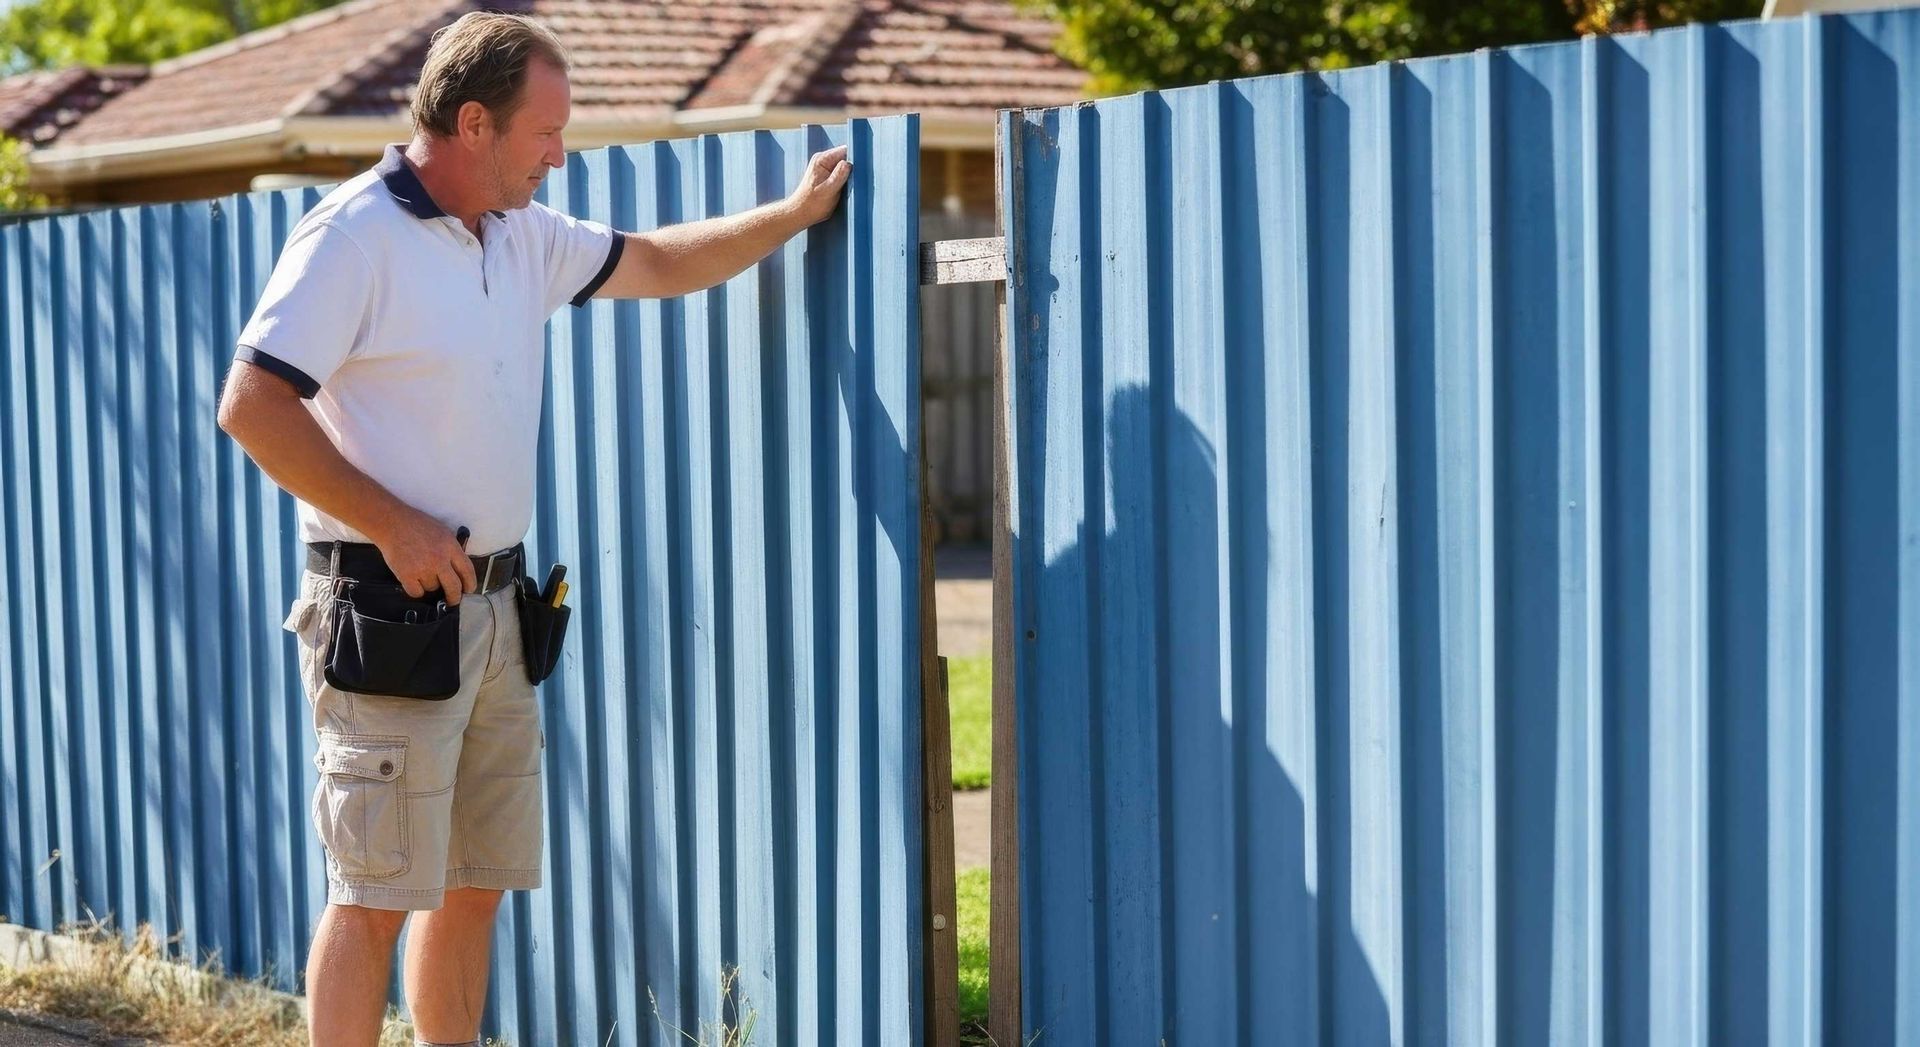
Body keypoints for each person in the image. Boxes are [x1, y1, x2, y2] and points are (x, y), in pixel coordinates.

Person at [214, 12, 851, 1046]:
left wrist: (788, 217)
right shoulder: (353, 236)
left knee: (474, 884)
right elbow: (252, 405)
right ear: (475, 123)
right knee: (374, 893)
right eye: (546, 133)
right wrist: (395, 526)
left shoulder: (520, 234)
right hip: (387, 610)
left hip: (499, 610)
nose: (561, 155)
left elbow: (654, 261)